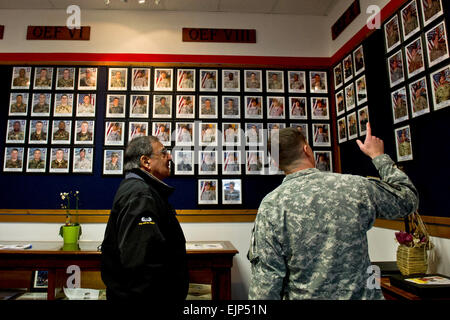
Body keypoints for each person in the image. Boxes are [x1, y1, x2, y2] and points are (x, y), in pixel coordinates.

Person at [248, 124, 419, 299]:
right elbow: (408, 200)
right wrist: (379, 156)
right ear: (307, 150)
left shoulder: (271, 205)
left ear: (276, 163)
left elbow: (266, 284)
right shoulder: (355, 186)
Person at [101, 136, 189, 301]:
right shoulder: (141, 194)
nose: (170, 157)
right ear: (146, 161)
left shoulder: (138, 189)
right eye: (163, 153)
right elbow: (140, 263)